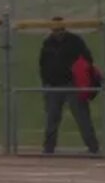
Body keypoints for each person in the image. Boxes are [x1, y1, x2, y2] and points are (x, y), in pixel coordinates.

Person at [39, 18, 100, 155]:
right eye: (55, 30)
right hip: (53, 86)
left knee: (82, 117)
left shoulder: (75, 41)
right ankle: (49, 148)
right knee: (51, 118)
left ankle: (93, 147)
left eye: (60, 29)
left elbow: (87, 59)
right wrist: (46, 82)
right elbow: (43, 64)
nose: (58, 33)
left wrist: (79, 74)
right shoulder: (47, 42)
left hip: (72, 85)